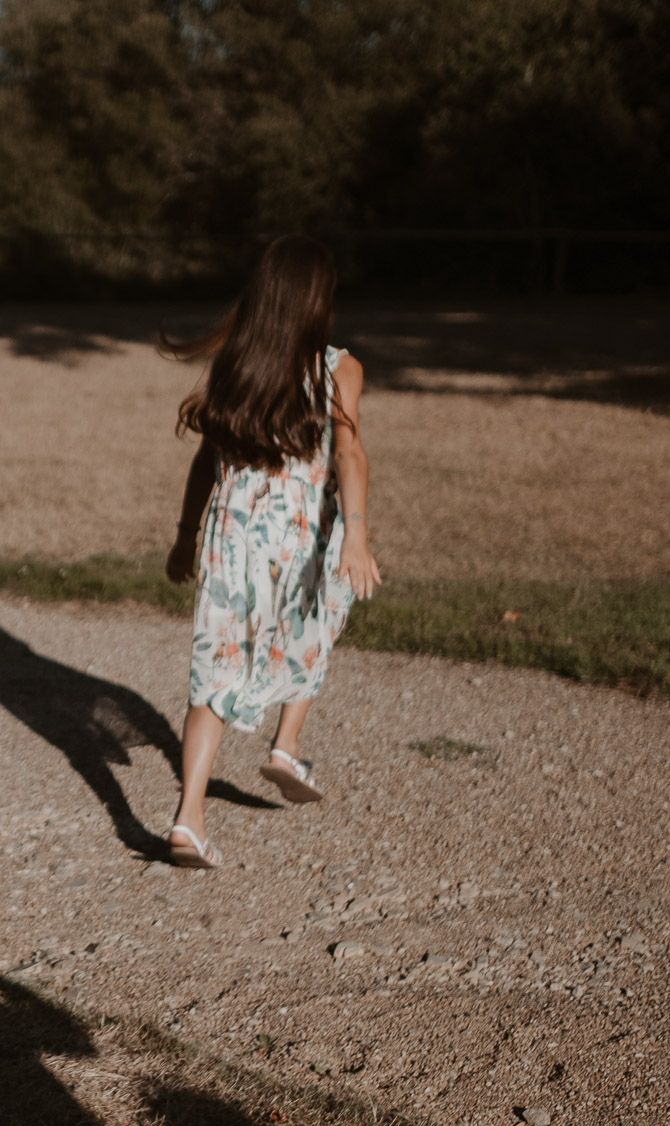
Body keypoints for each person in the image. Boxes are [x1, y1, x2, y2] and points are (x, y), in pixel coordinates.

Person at [160, 236, 381, 868]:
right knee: (317, 619)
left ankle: (188, 820)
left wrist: (184, 535)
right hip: (298, 532)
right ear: (316, 303)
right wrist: (357, 535)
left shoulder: (236, 362)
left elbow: (207, 458)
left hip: (232, 533)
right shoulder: (340, 367)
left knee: (215, 668)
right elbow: (350, 454)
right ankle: (285, 744)